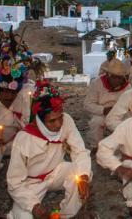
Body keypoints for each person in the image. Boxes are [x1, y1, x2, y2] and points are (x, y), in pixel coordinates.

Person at [6, 82, 92, 218]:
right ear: (39, 121)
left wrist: (84, 178)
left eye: (60, 117)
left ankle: (66, 214)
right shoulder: (24, 138)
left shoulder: (67, 121)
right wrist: (34, 205)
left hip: (56, 172)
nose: (58, 124)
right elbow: (14, 182)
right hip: (31, 182)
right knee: (24, 216)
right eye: (52, 121)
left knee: (82, 173)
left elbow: (80, 151)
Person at [84, 59, 130, 150]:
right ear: (108, 75)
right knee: (96, 122)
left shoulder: (127, 87)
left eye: (119, 77)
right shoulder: (97, 83)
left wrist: (118, 111)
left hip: (119, 113)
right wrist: (104, 110)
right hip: (102, 112)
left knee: (130, 122)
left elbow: (130, 104)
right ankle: (96, 146)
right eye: (114, 77)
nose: (117, 80)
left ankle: (124, 146)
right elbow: (87, 104)